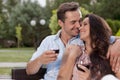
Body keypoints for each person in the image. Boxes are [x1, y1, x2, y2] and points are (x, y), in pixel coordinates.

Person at [26, 2, 120, 80]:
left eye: (80, 21)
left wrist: (118, 43)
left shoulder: (85, 40)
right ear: (60, 23)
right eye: (73, 22)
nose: (79, 26)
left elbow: (106, 37)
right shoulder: (49, 41)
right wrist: (40, 60)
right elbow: (29, 70)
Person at [57, 14, 120, 80]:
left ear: (95, 27)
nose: (80, 28)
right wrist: (72, 57)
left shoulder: (110, 52)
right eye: (81, 25)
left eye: (85, 24)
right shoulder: (72, 49)